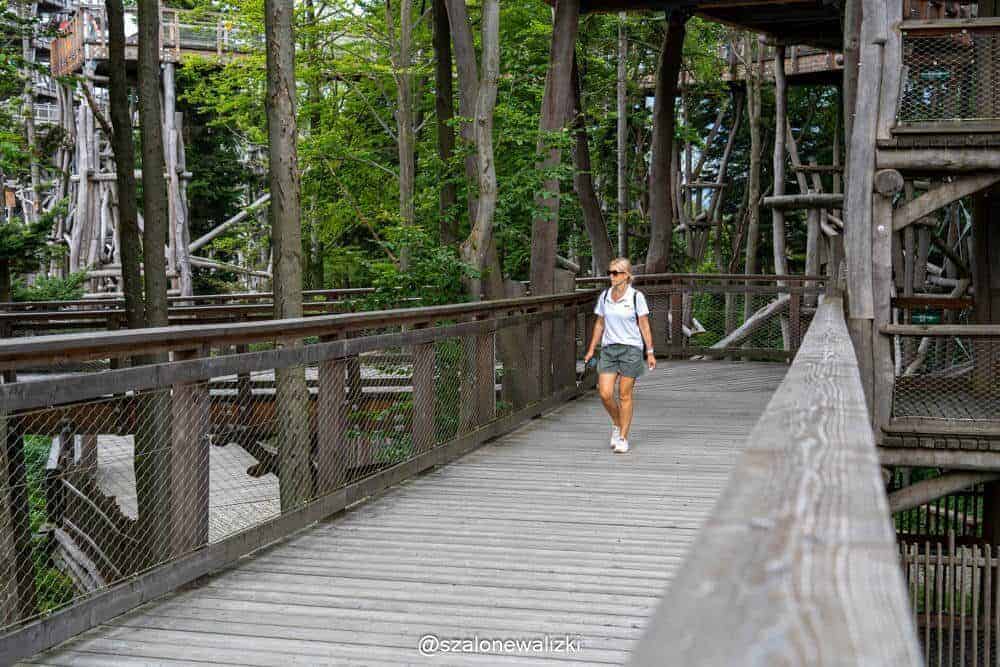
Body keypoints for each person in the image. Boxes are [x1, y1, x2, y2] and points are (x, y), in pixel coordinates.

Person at [583, 258, 656, 453]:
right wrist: (591, 349)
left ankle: (623, 437)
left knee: (624, 394)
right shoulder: (605, 296)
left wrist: (650, 352)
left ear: (626, 275)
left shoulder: (636, 297)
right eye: (610, 272)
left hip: (631, 349)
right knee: (605, 393)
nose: (611, 276)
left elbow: (644, 325)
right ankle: (617, 422)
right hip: (609, 349)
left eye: (615, 273)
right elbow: (600, 323)